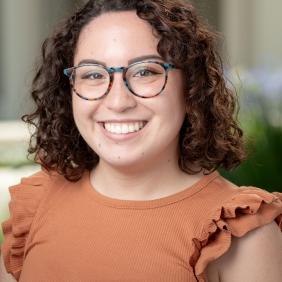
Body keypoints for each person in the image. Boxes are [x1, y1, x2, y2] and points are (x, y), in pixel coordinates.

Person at [1, 0, 281, 281]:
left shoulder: (240, 233)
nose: (118, 102)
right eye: (94, 74)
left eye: (145, 71)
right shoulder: (36, 203)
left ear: (191, 86)